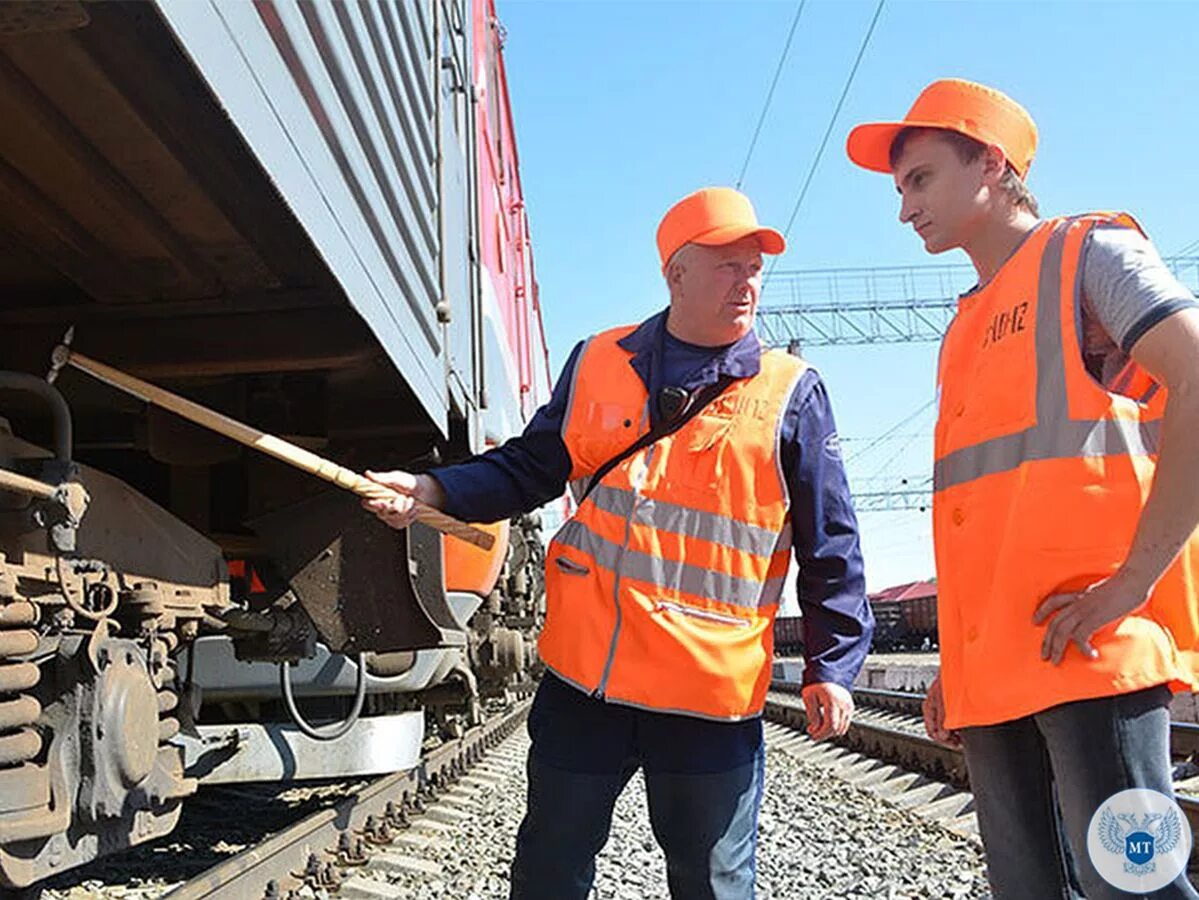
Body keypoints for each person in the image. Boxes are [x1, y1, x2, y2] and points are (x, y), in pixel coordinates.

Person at [363, 186, 873, 900]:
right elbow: (530, 466)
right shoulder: (599, 359)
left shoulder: (791, 391)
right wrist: (433, 493)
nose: (746, 281)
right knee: (548, 870)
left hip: (706, 695)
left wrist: (832, 666)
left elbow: (831, 542)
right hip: (586, 681)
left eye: (754, 266)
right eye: (727, 263)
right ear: (676, 274)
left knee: (713, 885)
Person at [847, 78, 1199, 898]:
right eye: (901, 188)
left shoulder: (1087, 256)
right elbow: (987, 517)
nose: (904, 209)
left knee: (1133, 883)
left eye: (920, 178)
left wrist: (1134, 581)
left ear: (992, 164)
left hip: (1088, 649)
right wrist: (953, 667)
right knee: (1026, 887)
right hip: (996, 665)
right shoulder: (967, 323)